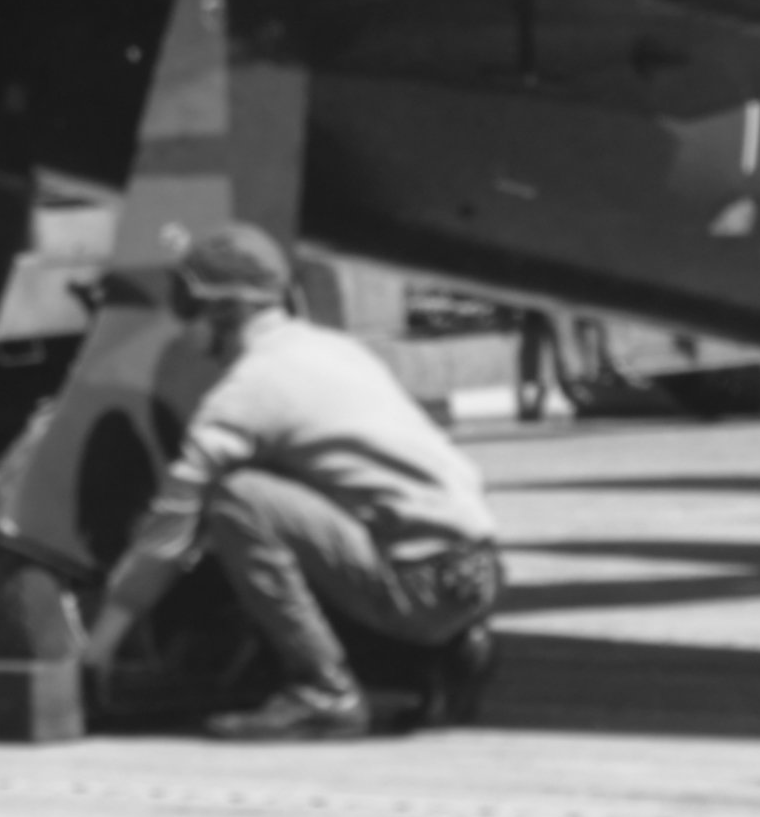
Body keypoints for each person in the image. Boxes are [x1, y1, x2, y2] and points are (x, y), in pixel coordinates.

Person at [74, 225, 502, 743]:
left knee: (238, 499)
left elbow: (165, 538)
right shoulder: (334, 350)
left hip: (419, 586)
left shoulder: (246, 393)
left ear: (223, 310)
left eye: (185, 303)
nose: (178, 323)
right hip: (477, 573)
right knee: (289, 498)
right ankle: (444, 656)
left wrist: (98, 649)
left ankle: (323, 692)